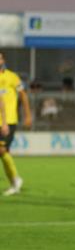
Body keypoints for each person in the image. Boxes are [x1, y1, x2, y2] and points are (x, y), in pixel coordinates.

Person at [0, 51, 32, 196]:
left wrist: (28, 115)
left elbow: (23, 95)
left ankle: (16, 180)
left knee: (2, 150)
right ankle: (14, 181)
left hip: (9, 121)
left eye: (0, 58)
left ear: (3, 60)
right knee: (4, 153)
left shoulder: (12, 77)